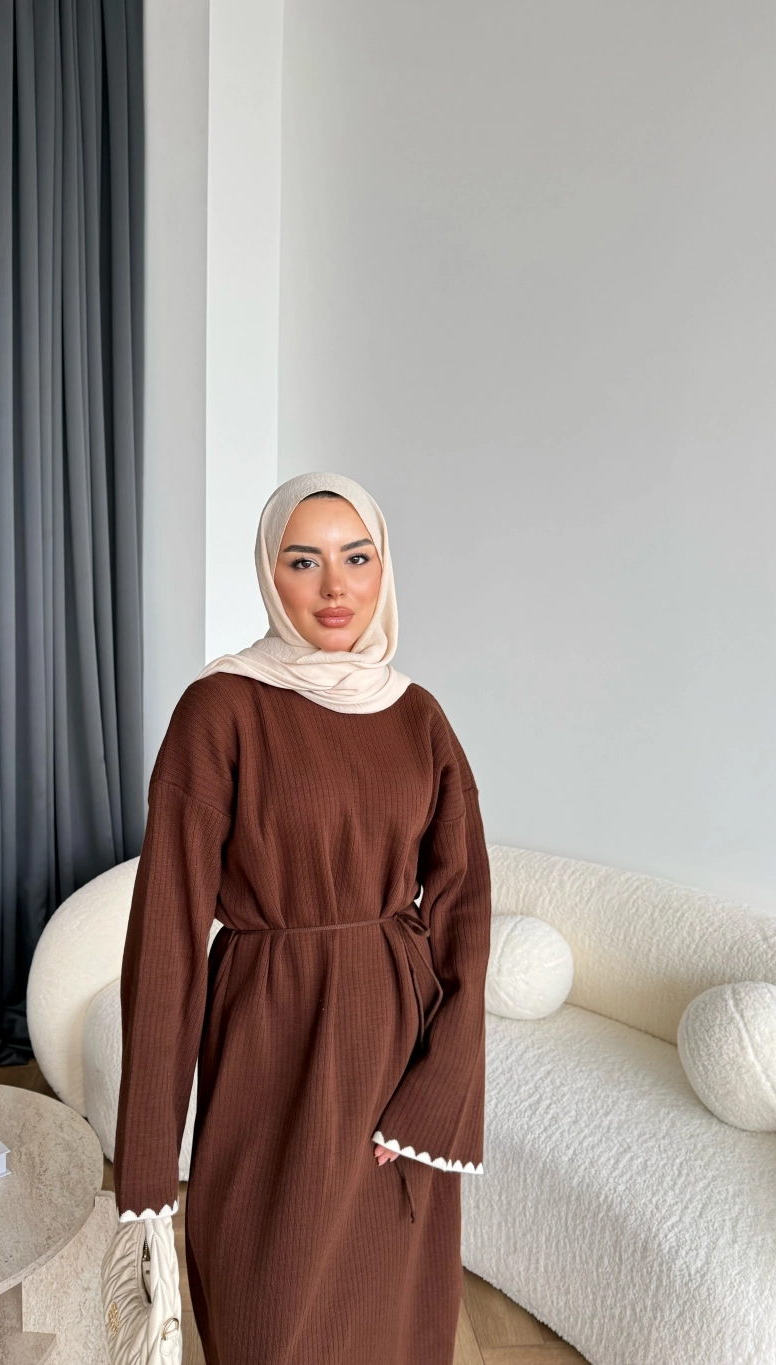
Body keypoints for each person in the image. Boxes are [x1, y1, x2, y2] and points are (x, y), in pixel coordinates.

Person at [113, 471, 492, 1365]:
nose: (334, 587)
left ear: (383, 568)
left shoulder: (418, 716)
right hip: (269, 1037)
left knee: (395, 1313)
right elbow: (167, 938)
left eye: (357, 558)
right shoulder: (221, 709)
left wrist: (437, 1090)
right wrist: (145, 1172)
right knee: (265, 1294)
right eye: (303, 560)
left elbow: (465, 906)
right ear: (268, 573)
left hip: (393, 1043)